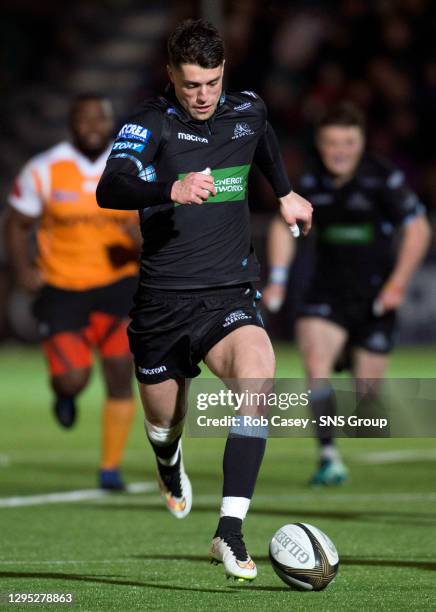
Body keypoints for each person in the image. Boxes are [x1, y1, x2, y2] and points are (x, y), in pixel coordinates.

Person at [97, 19, 312, 581]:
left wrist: (285, 193)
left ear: (223, 74)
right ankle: (169, 463)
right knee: (165, 422)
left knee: (259, 374)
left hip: (227, 294)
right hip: (162, 305)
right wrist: (169, 188)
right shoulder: (149, 122)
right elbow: (109, 187)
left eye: (211, 83)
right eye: (191, 83)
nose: (202, 95)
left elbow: (261, 137)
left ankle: (230, 531)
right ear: (171, 74)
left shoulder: (246, 109)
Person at [263, 102, 431, 486]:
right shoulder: (308, 182)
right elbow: (280, 225)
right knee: (315, 365)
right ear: (320, 145)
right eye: (331, 143)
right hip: (326, 294)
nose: (339, 151)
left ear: (361, 143)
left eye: (348, 143)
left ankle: (347, 353)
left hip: (375, 298)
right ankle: (328, 458)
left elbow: (418, 230)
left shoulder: (382, 178)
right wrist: (277, 278)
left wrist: (398, 285)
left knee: (365, 393)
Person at [5, 94, 140, 490]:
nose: (94, 125)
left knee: (120, 371)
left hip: (119, 285)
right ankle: (63, 395)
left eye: (101, 118)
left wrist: (139, 242)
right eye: (85, 119)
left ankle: (110, 469)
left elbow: (155, 223)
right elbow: (15, 222)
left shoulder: (130, 164)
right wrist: (22, 269)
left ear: (112, 121)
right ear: (72, 123)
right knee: (73, 380)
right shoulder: (44, 169)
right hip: (62, 286)